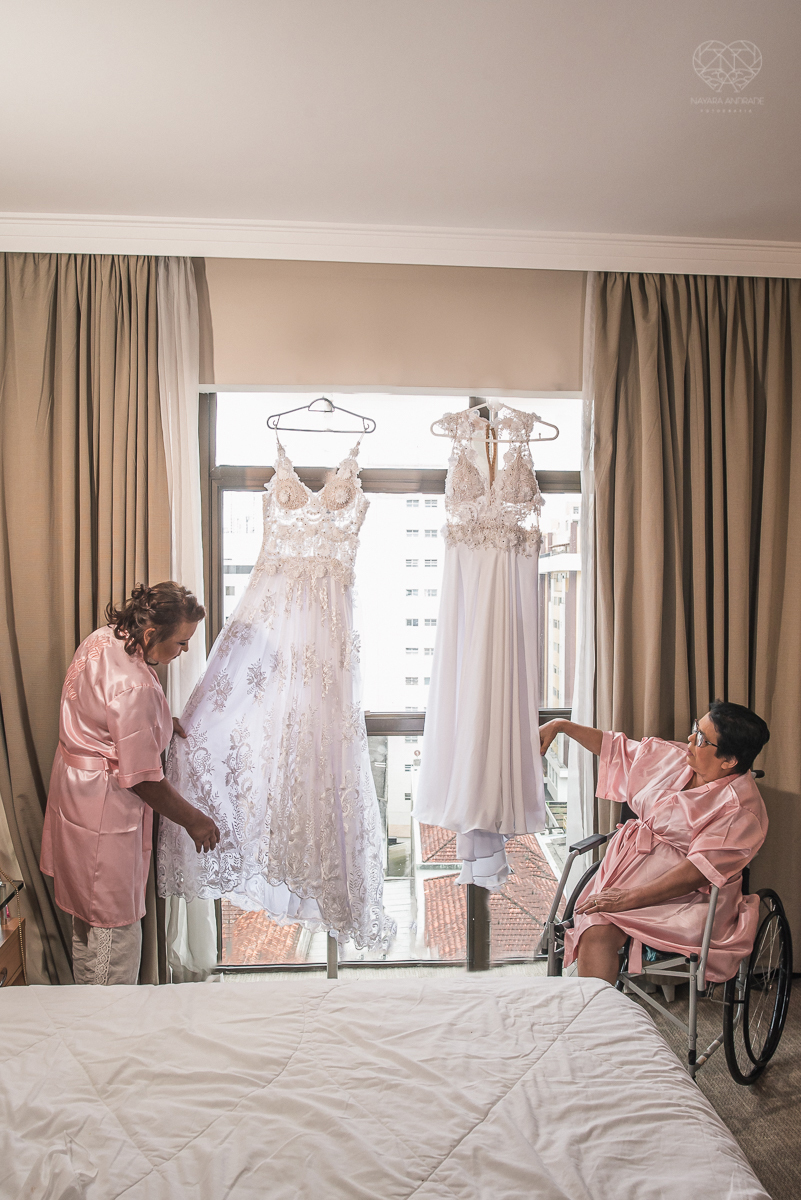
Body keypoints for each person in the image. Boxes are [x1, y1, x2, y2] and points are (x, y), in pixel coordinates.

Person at [40, 582, 220, 985]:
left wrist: (159, 725)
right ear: (153, 634)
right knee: (113, 934)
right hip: (104, 808)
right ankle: (107, 1023)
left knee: (85, 921)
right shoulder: (135, 686)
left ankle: (90, 1013)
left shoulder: (104, 638)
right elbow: (143, 780)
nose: (184, 651)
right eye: (181, 643)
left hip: (74, 790)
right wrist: (194, 820)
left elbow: (104, 714)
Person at [538, 702, 770, 985]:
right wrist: (562, 725)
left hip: (689, 896)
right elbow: (615, 748)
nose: (690, 740)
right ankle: (595, 1022)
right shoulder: (672, 757)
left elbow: (696, 872)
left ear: (729, 760)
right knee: (595, 930)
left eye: (701, 739)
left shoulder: (741, 810)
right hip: (628, 869)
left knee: (603, 918)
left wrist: (626, 899)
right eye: (697, 728)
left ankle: (597, 1019)